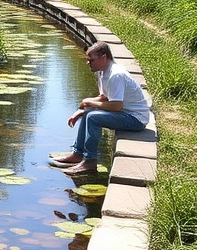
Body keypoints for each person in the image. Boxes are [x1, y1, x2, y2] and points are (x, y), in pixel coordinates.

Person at [50, 42, 150, 176]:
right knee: (88, 114)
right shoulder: (103, 72)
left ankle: (90, 162)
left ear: (104, 57)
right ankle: (78, 154)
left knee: (93, 118)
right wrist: (83, 108)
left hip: (136, 119)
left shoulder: (116, 74)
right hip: (124, 113)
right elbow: (104, 98)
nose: (88, 63)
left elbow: (116, 106)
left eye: (91, 60)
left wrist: (88, 103)